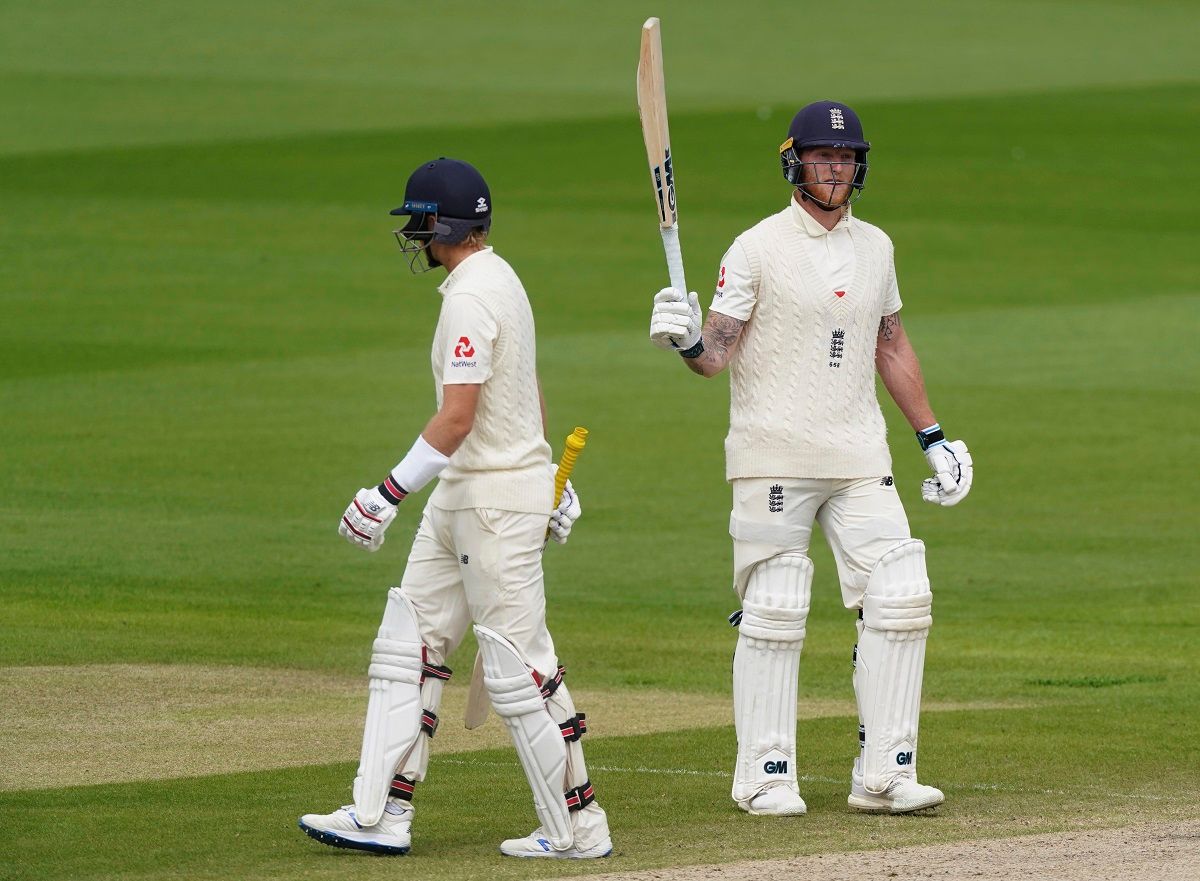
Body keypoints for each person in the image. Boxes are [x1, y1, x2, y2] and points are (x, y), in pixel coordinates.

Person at [648, 102, 973, 816]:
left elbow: (890, 342)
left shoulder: (878, 247)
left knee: (901, 592)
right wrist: (686, 342)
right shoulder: (757, 246)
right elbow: (717, 354)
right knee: (776, 602)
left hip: (859, 453)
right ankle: (764, 775)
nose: (836, 169)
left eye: (847, 158)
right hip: (772, 455)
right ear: (795, 162)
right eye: (824, 157)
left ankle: (884, 772)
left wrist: (933, 436)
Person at [299, 158, 612, 858]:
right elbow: (523, 387)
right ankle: (380, 812)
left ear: (440, 227)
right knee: (408, 643)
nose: (415, 236)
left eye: (420, 224)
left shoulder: (470, 297)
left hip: (492, 507)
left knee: (519, 666)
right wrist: (542, 471)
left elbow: (459, 417)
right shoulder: (500, 278)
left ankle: (578, 827)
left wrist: (384, 493)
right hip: (467, 496)